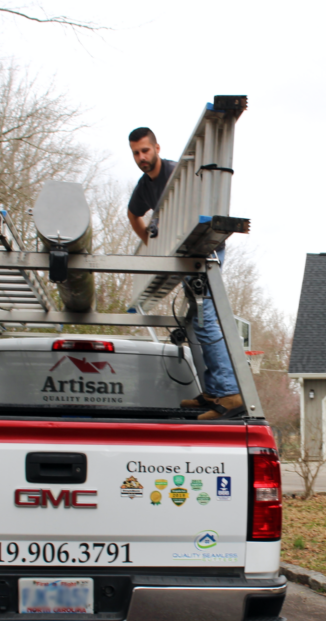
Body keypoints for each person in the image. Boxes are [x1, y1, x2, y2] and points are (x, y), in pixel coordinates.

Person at [127, 127, 242, 420]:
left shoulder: (176, 174)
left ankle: (230, 393)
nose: (142, 157)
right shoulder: (144, 186)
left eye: (145, 150)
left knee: (207, 319)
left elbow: (205, 197)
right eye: (136, 153)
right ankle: (214, 392)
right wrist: (151, 244)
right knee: (197, 320)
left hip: (204, 248)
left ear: (156, 148)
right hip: (184, 254)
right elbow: (133, 215)